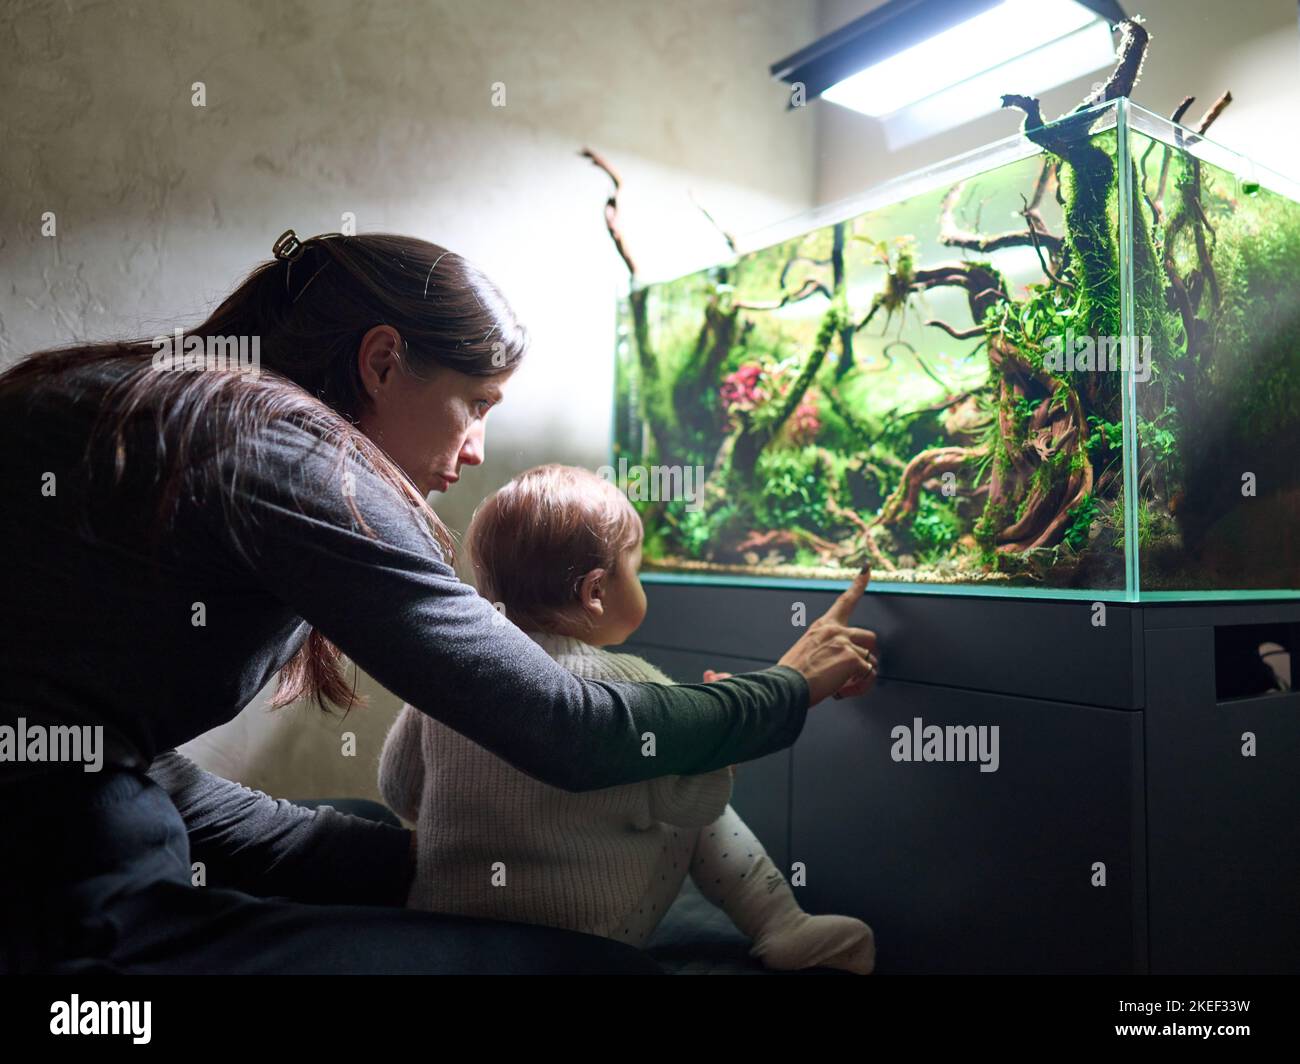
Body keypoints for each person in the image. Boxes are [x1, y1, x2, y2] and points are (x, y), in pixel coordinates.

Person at [0, 231, 878, 974]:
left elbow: (113, 755)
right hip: (61, 899)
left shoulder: (161, 406)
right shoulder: (289, 456)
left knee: (376, 839)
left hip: (69, 811)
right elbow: (566, 730)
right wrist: (782, 690)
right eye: (476, 404)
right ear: (383, 361)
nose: (474, 451)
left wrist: (397, 862)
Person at [381, 464, 876, 972]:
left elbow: (400, 789)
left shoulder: (453, 672)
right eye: (634, 568)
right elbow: (698, 802)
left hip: (443, 933)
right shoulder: (631, 680)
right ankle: (782, 924)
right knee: (687, 795)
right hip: (586, 942)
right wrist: (715, 747)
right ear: (595, 592)